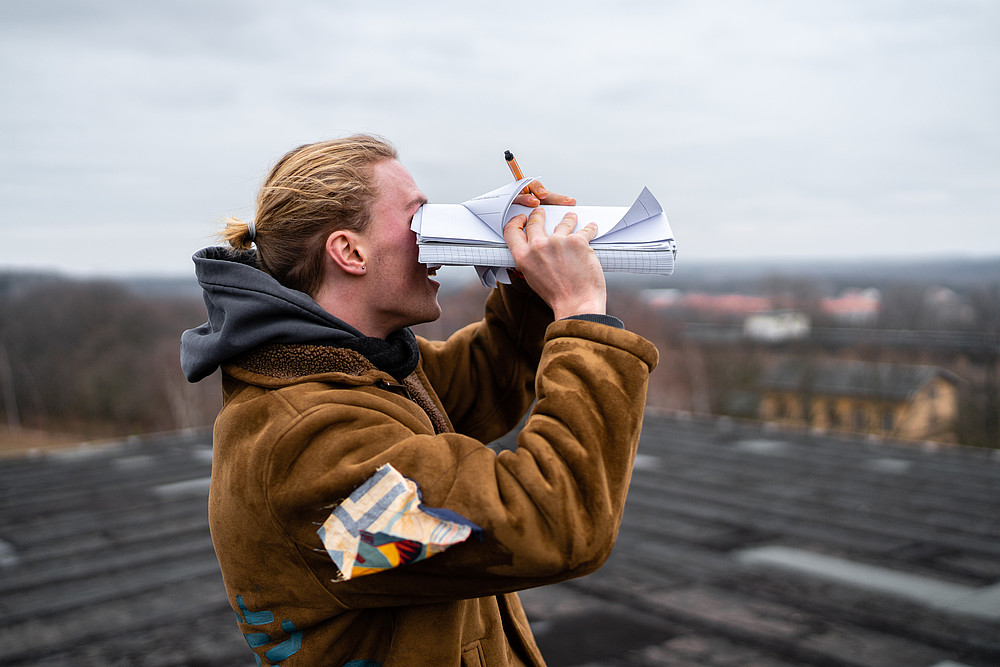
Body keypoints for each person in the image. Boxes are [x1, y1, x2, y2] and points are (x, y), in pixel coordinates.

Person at [180, 134, 658, 666]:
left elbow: (481, 383)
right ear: (349, 252)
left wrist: (528, 285)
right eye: (418, 217)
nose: (435, 235)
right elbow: (553, 520)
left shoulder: (359, 369)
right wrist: (580, 310)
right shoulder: (311, 443)